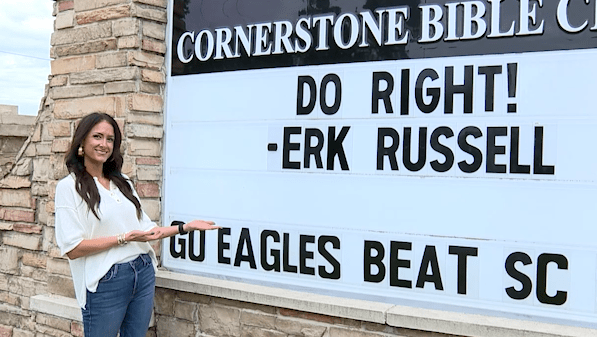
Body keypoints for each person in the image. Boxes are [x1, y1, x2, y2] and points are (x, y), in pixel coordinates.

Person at [54, 112, 220, 337]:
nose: (104, 144)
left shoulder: (122, 183)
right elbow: (72, 248)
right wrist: (123, 238)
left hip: (142, 271)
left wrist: (185, 228)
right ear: (82, 141)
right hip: (107, 280)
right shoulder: (69, 188)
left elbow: (146, 231)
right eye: (97, 137)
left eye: (110, 139)